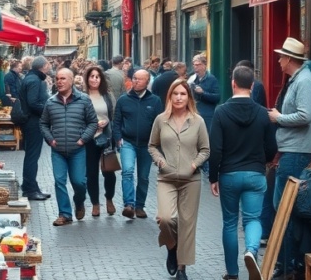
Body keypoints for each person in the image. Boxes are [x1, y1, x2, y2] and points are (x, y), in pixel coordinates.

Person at [209, 66, 277, 280]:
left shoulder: (221, 112)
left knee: (230, 223)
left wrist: (213, 177)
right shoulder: (263, 113)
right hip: (255, 174)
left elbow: (215, 149)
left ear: (233, 84)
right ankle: (252, 250)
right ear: (252, 86)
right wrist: (263, 161)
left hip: (229, 174)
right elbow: (272, 147)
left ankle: (232, 272)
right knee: (253, 219)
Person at [267, 37, 311, 279]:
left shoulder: (305, 81)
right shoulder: (299, 80)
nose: (279, 60)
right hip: (293, 150)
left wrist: (278, 117)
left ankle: (288, 264)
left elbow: (304, 116)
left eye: (281, 56)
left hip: (297, 152)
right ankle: (291, 263)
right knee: (284, 208)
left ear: (289, 59)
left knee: (285, 209)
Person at [148, 78, 210, 280]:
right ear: (170, 96)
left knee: (186, 224)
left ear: (189, 97)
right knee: (165, 218)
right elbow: (152, 145)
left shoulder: (197, 121)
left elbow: (205, 149)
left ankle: (182, 268)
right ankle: (172, 247)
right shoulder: (161, 120)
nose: (179, 97)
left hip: (191, 180)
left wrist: (193, 164)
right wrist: (160, 161)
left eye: (183, 94)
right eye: (175, 94)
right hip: (166, 178)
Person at [40, 67, 99, 226]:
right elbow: (43, 123)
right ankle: (65, 214)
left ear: (72, 81)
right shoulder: (51, 102)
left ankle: (79, 202)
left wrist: (83, 139)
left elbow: (92, 123)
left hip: (77, 150)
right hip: (58, 150)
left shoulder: (84, 100)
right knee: (59, 181)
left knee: (79, 182)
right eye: (57, 79)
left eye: (63, 78)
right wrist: (50, 140)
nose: (59, 82)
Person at [113, 69, 164, 219]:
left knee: (143, 177)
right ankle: (129, 204)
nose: (136, 81)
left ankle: (140, 206)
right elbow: (117, 121)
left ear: (147, 82)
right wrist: (118, 138)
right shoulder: (123, 99)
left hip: (147, 144)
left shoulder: (155, 101)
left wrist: (156, 144)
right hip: (127, 142)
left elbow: (159, 124)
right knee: (127, 171)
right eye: (134, 78)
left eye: (140, 79)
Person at [82, 65, 118, 217]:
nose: (95, 79)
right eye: (92, 76)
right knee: (91, 173)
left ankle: (109, 199)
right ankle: (95, 203)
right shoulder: (82, 96)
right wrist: (91, 125)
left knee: (109, 171)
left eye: (97, 77)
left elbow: (114, 115)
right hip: (89, 139)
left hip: (106, 137)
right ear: (87, 79)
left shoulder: (107, 96)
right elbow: (79, 116)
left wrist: (107, 122)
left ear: (101, 79)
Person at [19, 56, 52, 201]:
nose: (49, 66)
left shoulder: (32, 78)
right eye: (48, 64)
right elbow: (33, 102)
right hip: (33, 122)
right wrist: (48, 110)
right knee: (32, 156)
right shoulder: (34, 80)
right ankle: (30, 190)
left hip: (31, 121)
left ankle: (31, 187)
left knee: (32, 156)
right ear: (43, 66)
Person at [189, 54, 220, 174]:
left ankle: (206, 164)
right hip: (194, 112)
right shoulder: (192, 79)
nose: (195, 67)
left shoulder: (211, 79)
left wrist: (203, 93)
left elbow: (217, 97)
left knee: (206, 139)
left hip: (207, 114)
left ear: (204, 65)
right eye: (194, 65)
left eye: (198, 65)